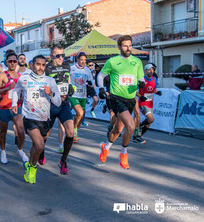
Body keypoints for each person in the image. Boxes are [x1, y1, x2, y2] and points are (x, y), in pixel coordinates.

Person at [97, 35, 145, 169]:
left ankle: (105, 147)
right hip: (116, 98)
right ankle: (123, 154)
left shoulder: (137, 62)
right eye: (125, 46)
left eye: (130, 45)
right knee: (130, 126)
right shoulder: (113, 61)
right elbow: (101, 75)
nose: (128, 48)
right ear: (119, 47)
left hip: (130, 99)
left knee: (118, 129)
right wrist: (101, 88)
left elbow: (140, 78)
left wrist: (141, 83)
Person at [12, 55, 61, 184]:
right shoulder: (24, 79)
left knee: (35, 146)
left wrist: (51, 93)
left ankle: (29, 164)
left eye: (43, 65)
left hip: (44, 119)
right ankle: (33, 168)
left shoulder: (50, 81)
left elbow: (58, 102)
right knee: (40, 145)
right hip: (29, 117)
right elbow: (16, 91)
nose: (40, 67)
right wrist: (14, 104)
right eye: (38, 64)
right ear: (32, 65)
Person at [44, 45, 75, 173]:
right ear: (51, 56)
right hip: (50, 105)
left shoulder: (67, 66)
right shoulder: (46, 68)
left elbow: (68, 80)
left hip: (64, 104)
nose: (61, 58)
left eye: (63, 55)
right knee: (45, 134)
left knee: (71, 132)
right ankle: (41, 153)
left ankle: (63, 161)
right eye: (58, 56)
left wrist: (70, 88)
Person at [0, 52, 28, 164]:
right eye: (10, 61)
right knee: (3, 132)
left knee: (21, 131)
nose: (12, 63)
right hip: (4, 107)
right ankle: (3, 151)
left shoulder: (21, 77)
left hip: (16, 107)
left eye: (14, 61)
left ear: (17, 62)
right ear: (7, 62)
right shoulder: (2, 75)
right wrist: (7, 88)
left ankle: (20, 150)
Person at [133, 63, 162, 143]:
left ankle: (137, 135)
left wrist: (157, 92)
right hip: (143, 102)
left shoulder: (154, 79)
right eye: (149, 70)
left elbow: (154, 89)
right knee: (150, 119)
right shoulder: (141, 79)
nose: (151, 71)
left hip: (150, 103)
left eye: (152, 70)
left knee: (149, 123)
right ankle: (138, 131)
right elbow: (134, 91)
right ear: (145, 71)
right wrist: (140, 96)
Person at [69, 52, 94, 141]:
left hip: (83, 95)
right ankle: (73, 131)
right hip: (73, 95)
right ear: (77, 60)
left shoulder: (87, 70)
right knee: (79, 113)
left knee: (81, 115)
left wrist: (90, 84)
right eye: (81, 60)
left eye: (84, 60)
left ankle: (74, 130)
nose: (83, 62)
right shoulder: (71, 68)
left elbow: (91, 81)